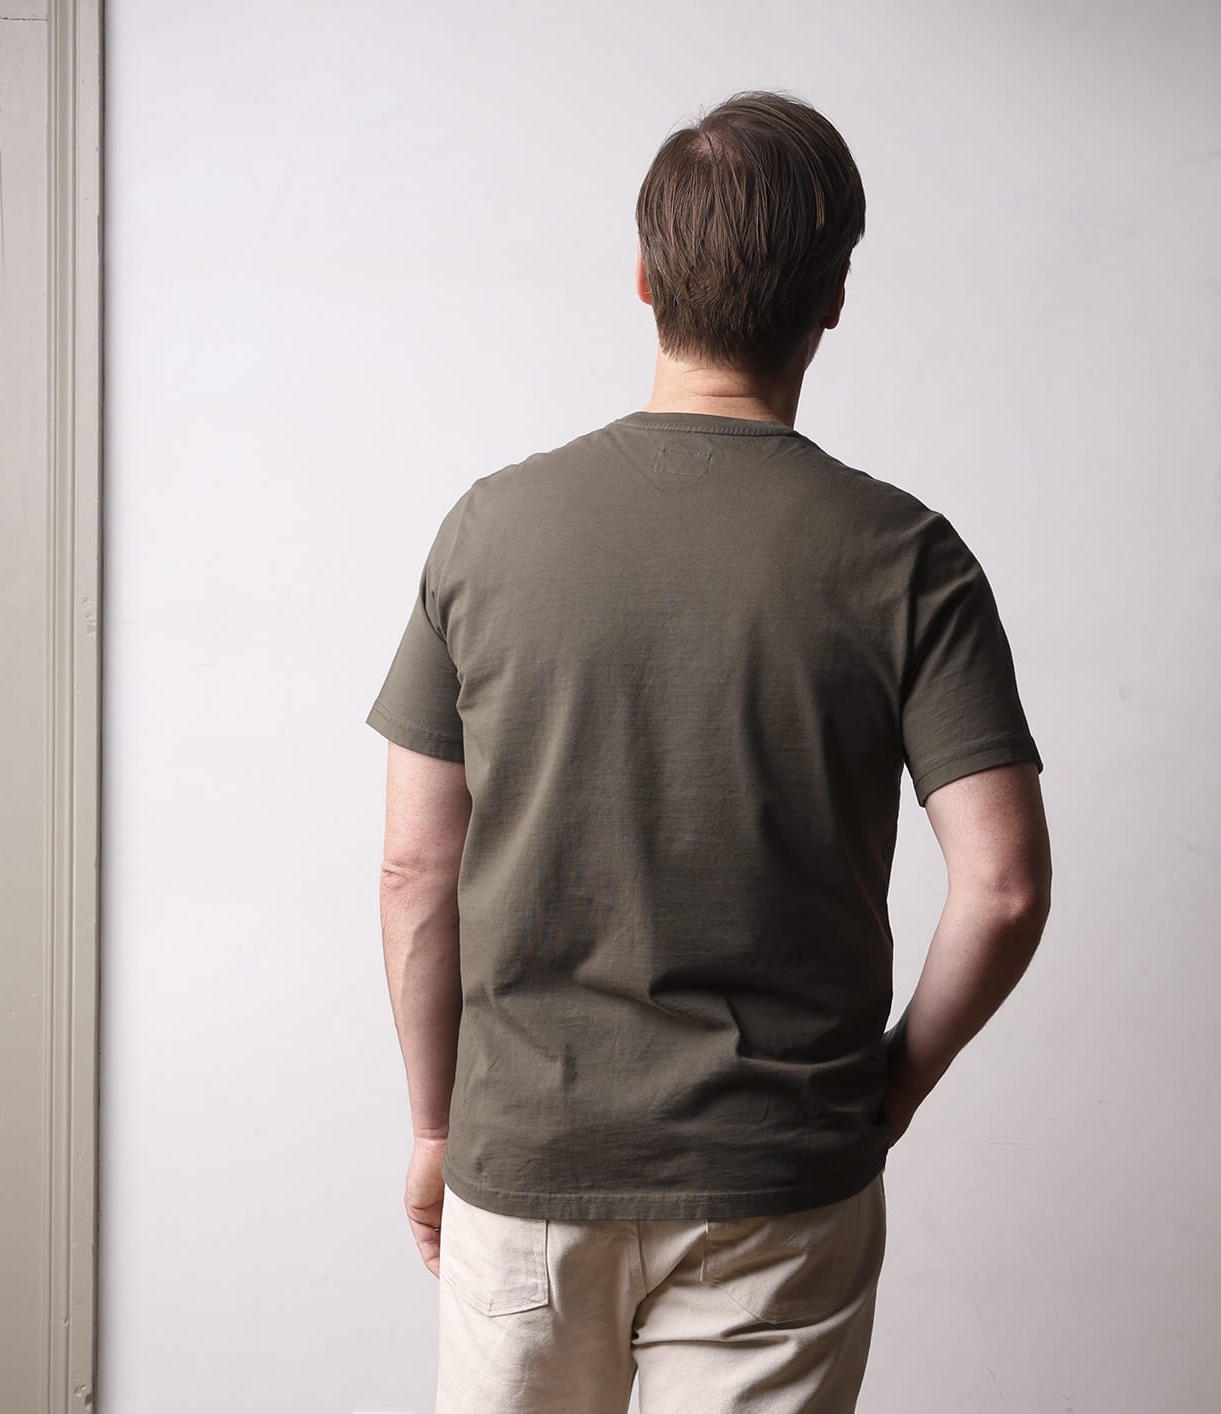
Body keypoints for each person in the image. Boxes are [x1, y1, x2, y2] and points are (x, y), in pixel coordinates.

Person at [367, 88, 1052, 1414]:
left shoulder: (488, 533)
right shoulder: (906, 557)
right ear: (833, 297)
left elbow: (412, 868)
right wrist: (890, 1089)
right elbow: (1007, 884)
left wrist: (438, 1130)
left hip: (526, 1172)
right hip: (778, 1181)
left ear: (643, 277)